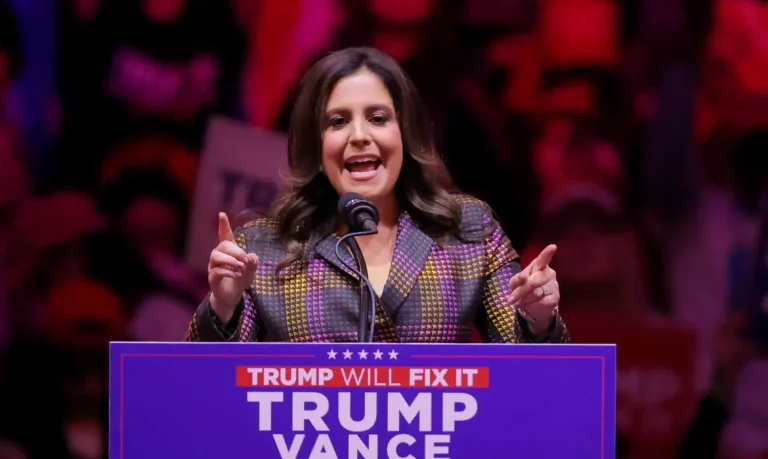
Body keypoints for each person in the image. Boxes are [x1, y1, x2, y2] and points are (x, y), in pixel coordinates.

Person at [185, 47, 567, 343]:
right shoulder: (264, 247)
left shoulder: (467, 231)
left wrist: (539, 316)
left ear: (405, 133)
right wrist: (223, 306)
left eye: (378, 118)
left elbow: (533, 376)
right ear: (316, 146)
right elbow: (204, 394)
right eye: (338, 121)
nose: (359, 135)